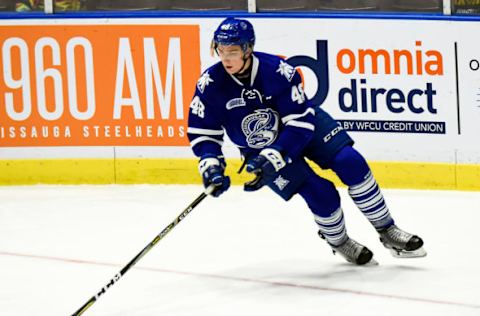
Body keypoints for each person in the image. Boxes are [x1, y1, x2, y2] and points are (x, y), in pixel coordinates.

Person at [187, 17, 426, 265]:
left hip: (301, 127)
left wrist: (276, 154)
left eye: (233, 52)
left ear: (248, 49)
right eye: (221, 51)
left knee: (350, 162)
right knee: (321, 194)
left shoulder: (277, 70)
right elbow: (203, 131)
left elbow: (299, 122)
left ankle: (387, 230)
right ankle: (340, 242)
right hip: (259, 147)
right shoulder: (210, 85)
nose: (225, 59)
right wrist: (210, 164)